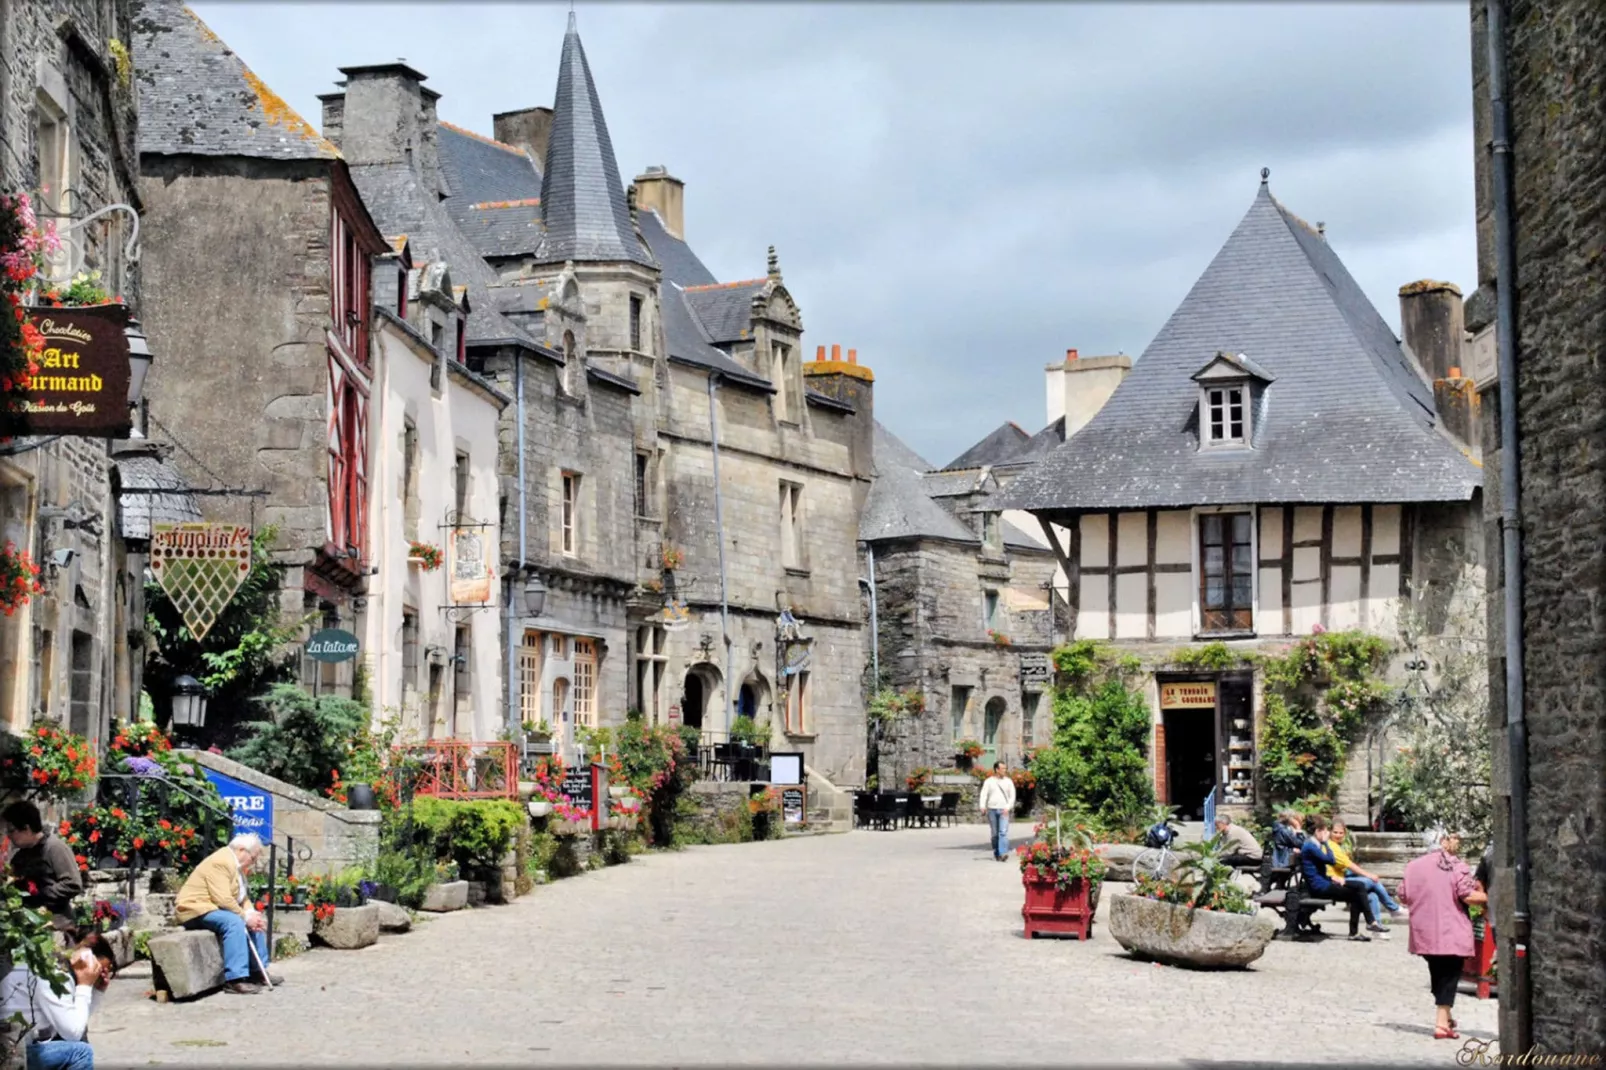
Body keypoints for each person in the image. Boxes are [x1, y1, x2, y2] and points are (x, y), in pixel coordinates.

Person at [1398, 828, 1486, 1040]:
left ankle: (1446, 1017)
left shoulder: (1413, 867)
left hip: (1424, 932)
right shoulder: (1456, 866)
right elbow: (1467, 895)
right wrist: (1489, 897)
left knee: (1438, 973)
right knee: (1449, 975)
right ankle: (1440, 1024)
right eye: (1453, 838)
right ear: (1444, 842)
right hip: (1450, 930)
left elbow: (1403, 895)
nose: (1457, 841)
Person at [173, 833, 280, 994]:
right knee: (234, 922)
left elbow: (242, 898)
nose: (254, 862)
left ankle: (258, 971)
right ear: (242, 850)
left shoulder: (237, 866)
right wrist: (244, 916)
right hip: (195, 909)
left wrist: (251, 914)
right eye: (253, 857)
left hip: (213, 908)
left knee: (253, 921)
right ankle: (235, 978)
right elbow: (222, 898)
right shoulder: (221, 862)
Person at [0, 932, 116, 1070]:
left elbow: (75, 1023)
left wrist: (97, 992)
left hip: (21, 1044)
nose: (99, 975)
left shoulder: (59, 973)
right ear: (87, 958)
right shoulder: (52, 976)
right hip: (10, 1050)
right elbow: (73, 1033)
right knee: (81, 1053)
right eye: (100, 969)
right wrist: (85, 986)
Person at [3, 801, 84, 930]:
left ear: (27, 828)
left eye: (12, 831)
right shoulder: (20, 856)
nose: (9, 836)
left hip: (57, 927)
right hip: (31, 927)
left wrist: (40, 895)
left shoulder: (54, 848)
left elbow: (73, 884)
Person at [1298, 815, 1376, 941]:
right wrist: (1325, 843)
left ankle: (1369, 922)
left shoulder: (1312, 845)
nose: (1327, 834)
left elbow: (1318, 869)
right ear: (1318, 831)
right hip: (1319, 887)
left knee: (1359, 886)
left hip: (1324, 882)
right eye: (1325, 831)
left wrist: (1332, 878)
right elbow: (1331, 860)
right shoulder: (1310, 846)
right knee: (1357, 894)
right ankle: (1360, 928)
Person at [1328, 819, 1403, 933]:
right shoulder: (1332, 846)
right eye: (1335, 832)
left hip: (1342, 878)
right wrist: (1368, 874)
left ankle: (1375, 925)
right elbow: (1348, 865)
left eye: (1340, 833)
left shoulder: (1338, 846)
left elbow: (1345, 867)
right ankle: (1393, 908)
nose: (1338, 835)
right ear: (1329, 832)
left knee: (1372, 896)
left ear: (1345, 833)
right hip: (1335, 883)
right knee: (1372, 881)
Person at [977, 762, 1016, 862]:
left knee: (1003, 832)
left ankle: (1003, 853)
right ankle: (997, 852)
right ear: (996, 770)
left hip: (1004, 810)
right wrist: (982, 806)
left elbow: (1012, 796)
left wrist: (1008, 807)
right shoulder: (989, 781)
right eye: (1002, 768)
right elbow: (984, 794)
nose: (1005, 770)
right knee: (994, 834)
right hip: (992, 810)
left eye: (1005, 768)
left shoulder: (1008, 782)